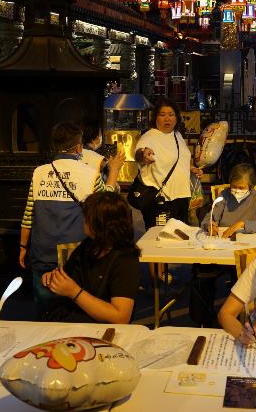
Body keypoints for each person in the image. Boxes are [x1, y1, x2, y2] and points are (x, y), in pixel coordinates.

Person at [20, 122, 122, 318]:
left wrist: (23, 246)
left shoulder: (38, 172)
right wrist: (115, 171)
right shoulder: (90, 174)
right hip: (76, 256)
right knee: (77, 308)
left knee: (46, 311)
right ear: (78, 147)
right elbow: (105, 205)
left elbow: (28, 215)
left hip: (43, 252)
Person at [189, 164, 256, 326]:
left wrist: (242, 224)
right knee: (201, 274)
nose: (236, 190)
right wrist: (210, 225)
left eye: (241, 187)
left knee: (243, 277)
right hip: (221, 250)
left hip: (246, 252)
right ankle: (203, 320)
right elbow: (209, 217)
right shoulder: (224, 196)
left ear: (251, 186)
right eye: (234, 186)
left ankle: (239, 320)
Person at [39, 192, 141, 323]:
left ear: (101, 224)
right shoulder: (88, 245)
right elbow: (67, 278)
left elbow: (120, 317)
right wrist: (54, 279)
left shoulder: (125, 260)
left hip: (101, 332)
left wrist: (74, 292)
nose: (84, 220)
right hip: (70, 323)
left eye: (87, 217)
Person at [134, 97, 201, 227]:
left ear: (176, 118)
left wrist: (192, 168)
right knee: (159, 239)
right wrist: (144, 154)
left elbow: (181, 159)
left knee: (179, 237)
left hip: (181, 197)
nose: (167, 118)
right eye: (162, 115)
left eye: (171, 115)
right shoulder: (149, 136)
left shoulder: (177, 136)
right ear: (155, 118)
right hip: (161, 200)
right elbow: (139, 154)